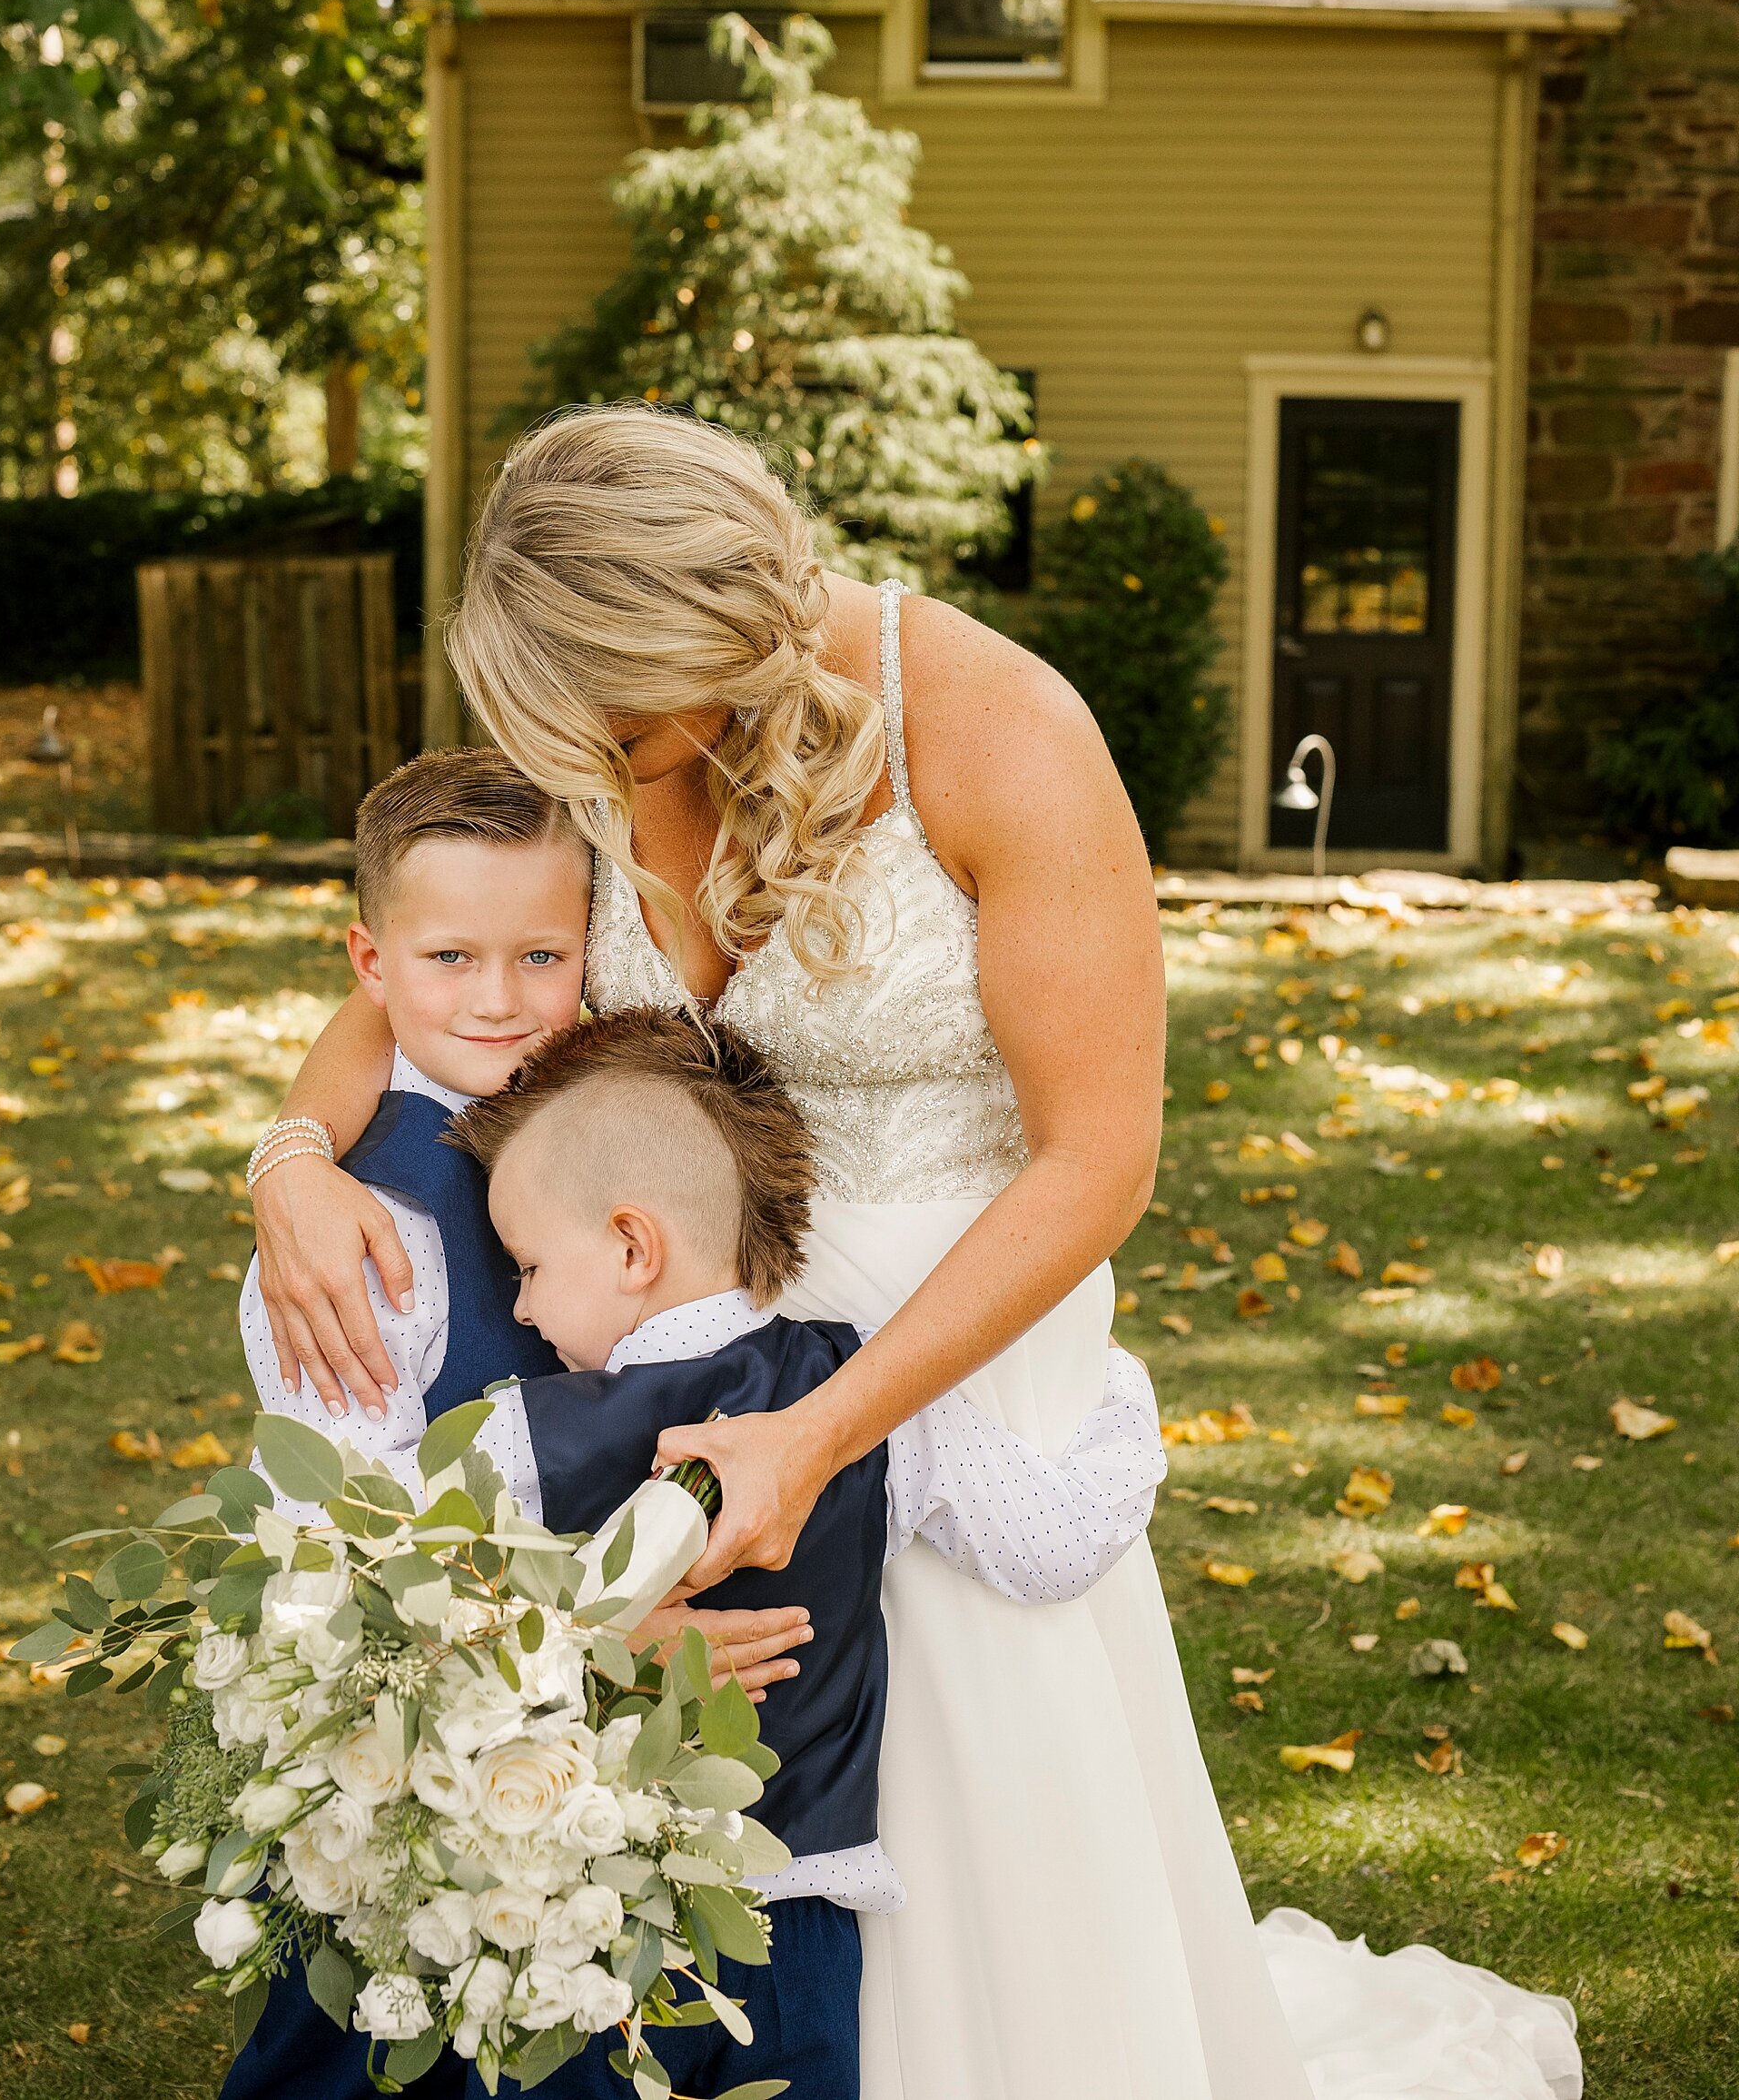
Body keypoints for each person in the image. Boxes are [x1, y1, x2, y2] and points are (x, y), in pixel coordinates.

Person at [250, 407, 1584, 2100]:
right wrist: (289, 1155)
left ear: (712, 632)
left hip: (950, 1367)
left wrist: (826, 1428)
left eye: (617, 716)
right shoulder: (589, 715)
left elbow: (1102, 1156)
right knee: (714, 1821)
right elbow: (423, 978)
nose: (584, 756)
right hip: (688, 1383)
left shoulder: (1001, 732)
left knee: (974, 1856)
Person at [223, 750, 812, 2100]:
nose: (501, 1001)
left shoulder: (594, 1111)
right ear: (373, 964)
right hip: (442, 1711)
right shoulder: (365, 1246)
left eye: (542, 957)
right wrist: (584, 1641)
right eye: (453, 962)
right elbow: (350, 1549)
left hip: (593, 1734)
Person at [443, 1002, 1167, 2096]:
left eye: (530, 1264)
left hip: (578, 1904)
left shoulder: (523, 1434)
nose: (523, 1303)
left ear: (631, 1244)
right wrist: (1111, 1389)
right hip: (794, 1912)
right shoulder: (867, 1395)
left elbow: (408, 1590)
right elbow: (1047, 1545)